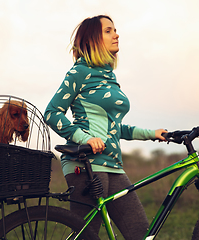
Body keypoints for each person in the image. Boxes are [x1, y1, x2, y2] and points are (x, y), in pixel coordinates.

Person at [44, 15, 167, 239]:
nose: (116, 34)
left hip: (113, 165)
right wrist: (84, 138)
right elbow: (52, 113)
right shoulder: (79, 72)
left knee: (140, 233)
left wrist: (152, 134)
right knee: (87, 236)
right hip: (85, 164)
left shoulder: (109, 75)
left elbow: (115, 128)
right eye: (108, 31)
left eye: (115, 30)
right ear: (93, 39)